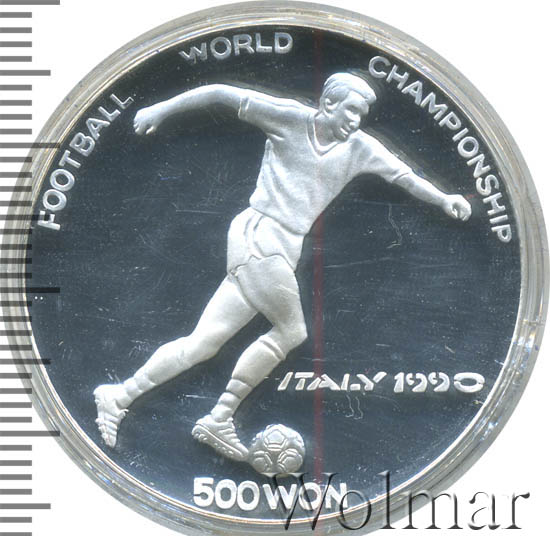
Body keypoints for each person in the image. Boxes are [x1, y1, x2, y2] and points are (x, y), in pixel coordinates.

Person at [94, 73, 471, 461]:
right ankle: (220, 415)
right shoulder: (289, 118)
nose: (356, 120)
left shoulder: (360, 147)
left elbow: (405, 176)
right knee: (291, 331)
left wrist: (444, 199)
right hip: (260, 234)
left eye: (362, 114)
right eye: (351, 110)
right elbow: (220, 93)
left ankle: (119, 395)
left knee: (202, 343)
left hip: (285, 246)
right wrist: (161, 109)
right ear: (328, 104)